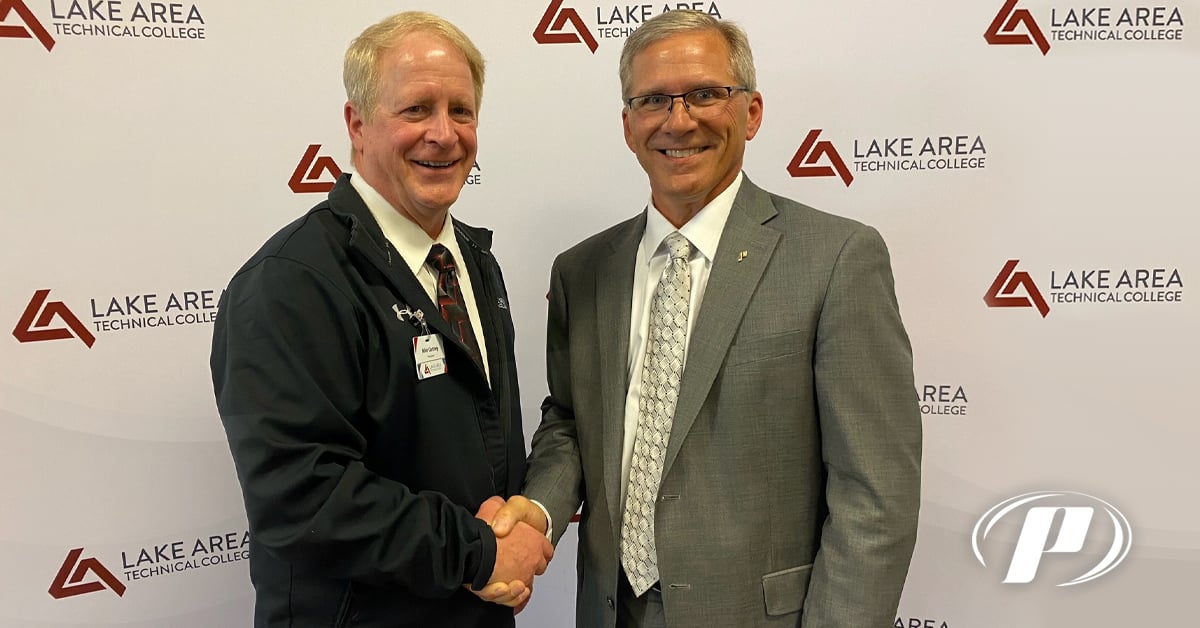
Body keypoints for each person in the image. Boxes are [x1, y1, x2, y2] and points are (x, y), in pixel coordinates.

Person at [492, 10, 921, 628]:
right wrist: (540, 510)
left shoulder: (836, 259)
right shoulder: (582, 270)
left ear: (750, 111)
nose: (679, 120)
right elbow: (569, 423)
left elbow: (876, 495)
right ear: (627, 124)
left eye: (703, 94)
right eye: (653, 100)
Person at [210, 12, 551, 628]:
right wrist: (478, 552)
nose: (444, 134)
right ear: (357, 124)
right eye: (416, 109)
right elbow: (302, 498)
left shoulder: (474, 262)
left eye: (461, 110)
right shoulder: (291, 282)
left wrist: (515, 520)